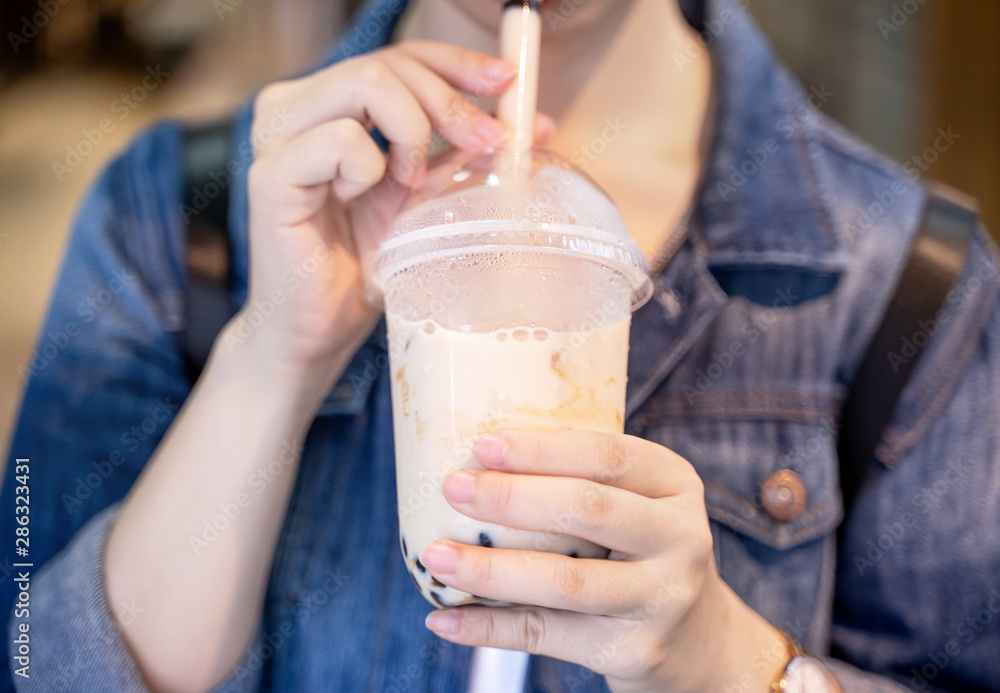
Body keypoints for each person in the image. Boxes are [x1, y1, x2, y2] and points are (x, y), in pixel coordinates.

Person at [3, 0, 999, 691]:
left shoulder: (912, 283)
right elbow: (46, 670)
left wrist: (724, 665)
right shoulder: (173, 221)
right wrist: (276, 354)